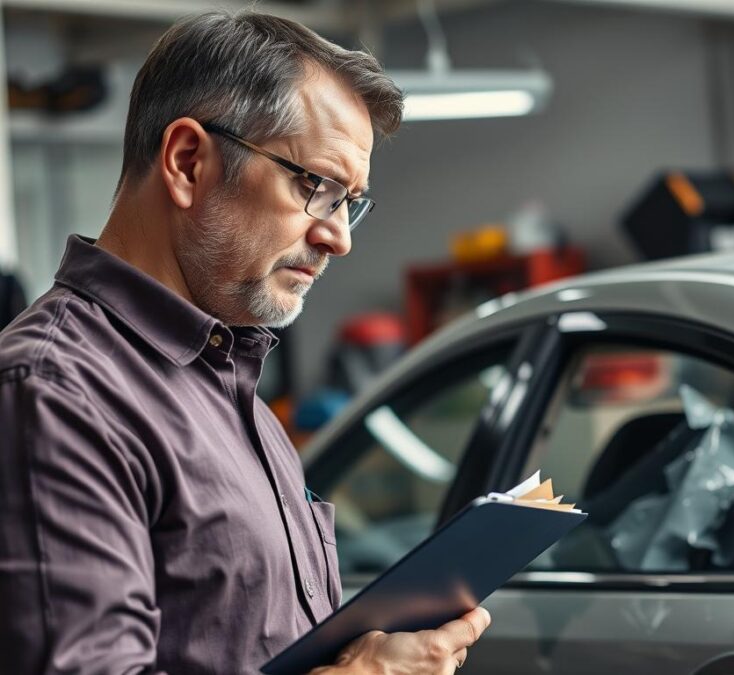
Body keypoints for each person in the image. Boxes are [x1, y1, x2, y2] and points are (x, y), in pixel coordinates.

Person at [0, 10, 490, 675]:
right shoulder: (55, 394)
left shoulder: (234, 389)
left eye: (352, 201)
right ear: (187, 161)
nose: (339, 236)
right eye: (314, 185)